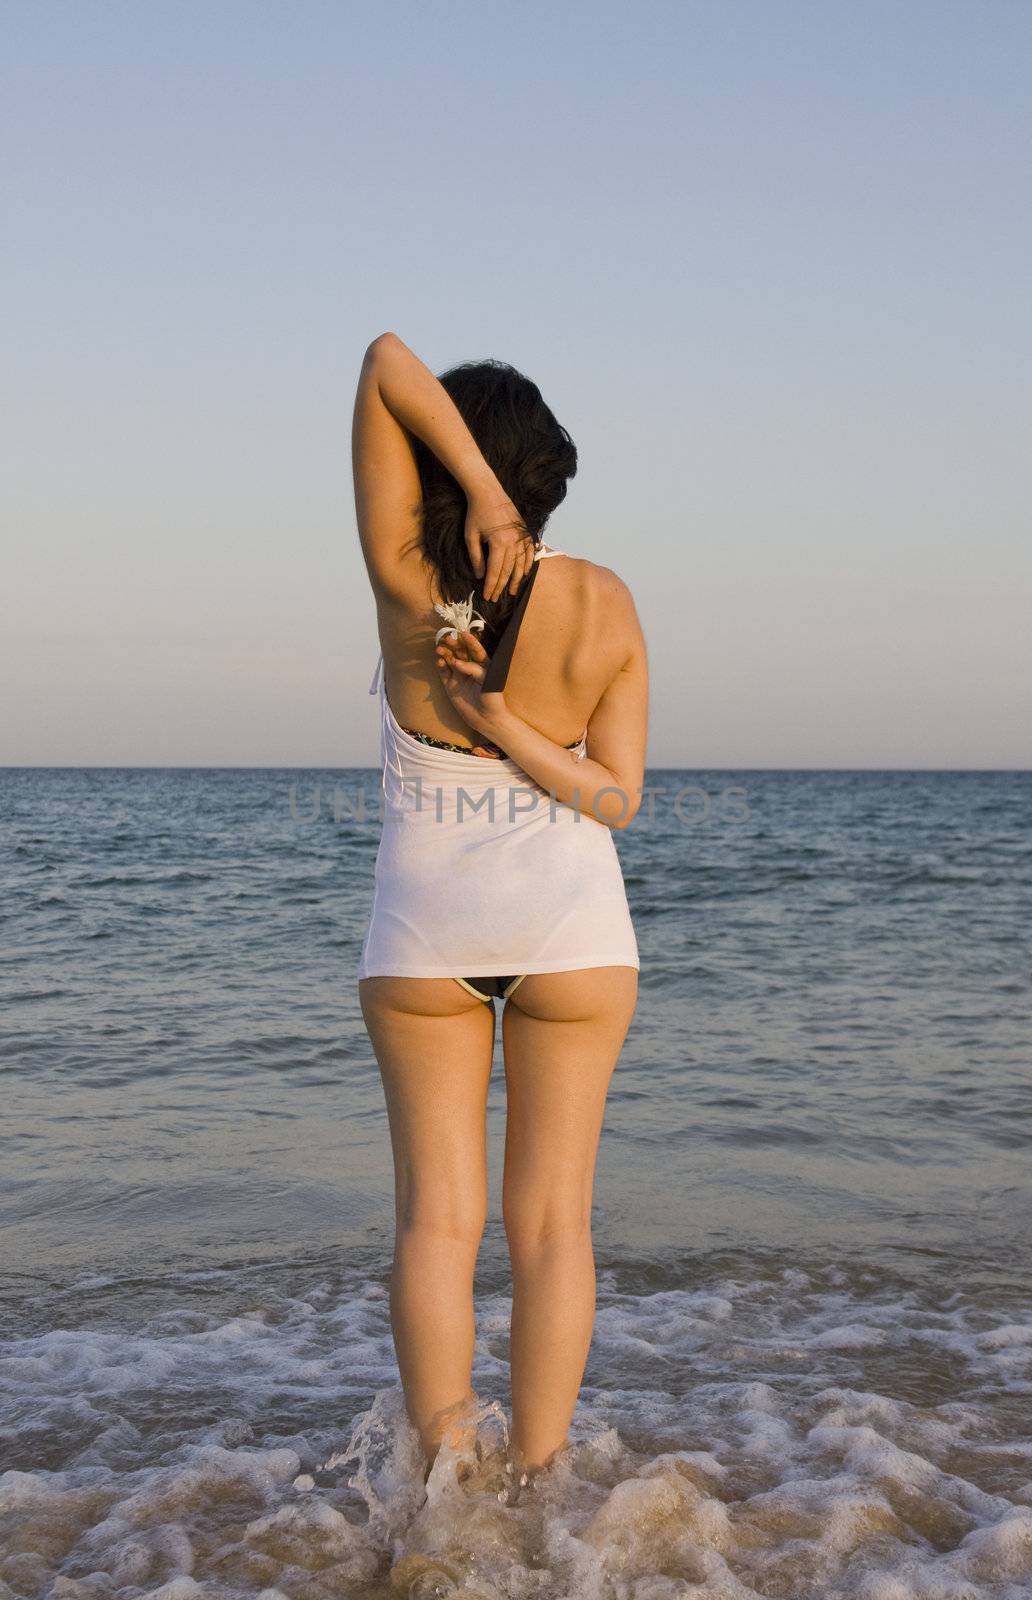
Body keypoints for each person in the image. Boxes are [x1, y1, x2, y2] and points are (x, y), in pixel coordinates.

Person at [352, 332, 648, 1499]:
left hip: (425, 930)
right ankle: (543, 1490)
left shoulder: (405, 579)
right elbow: (615, 799)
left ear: (454, 460)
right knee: (553, 1229)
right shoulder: (606, 599)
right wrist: (521, 728)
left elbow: (383, 359)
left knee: (437, 1223)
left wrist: (465, 488)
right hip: (572, 929)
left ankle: (443, 1496)